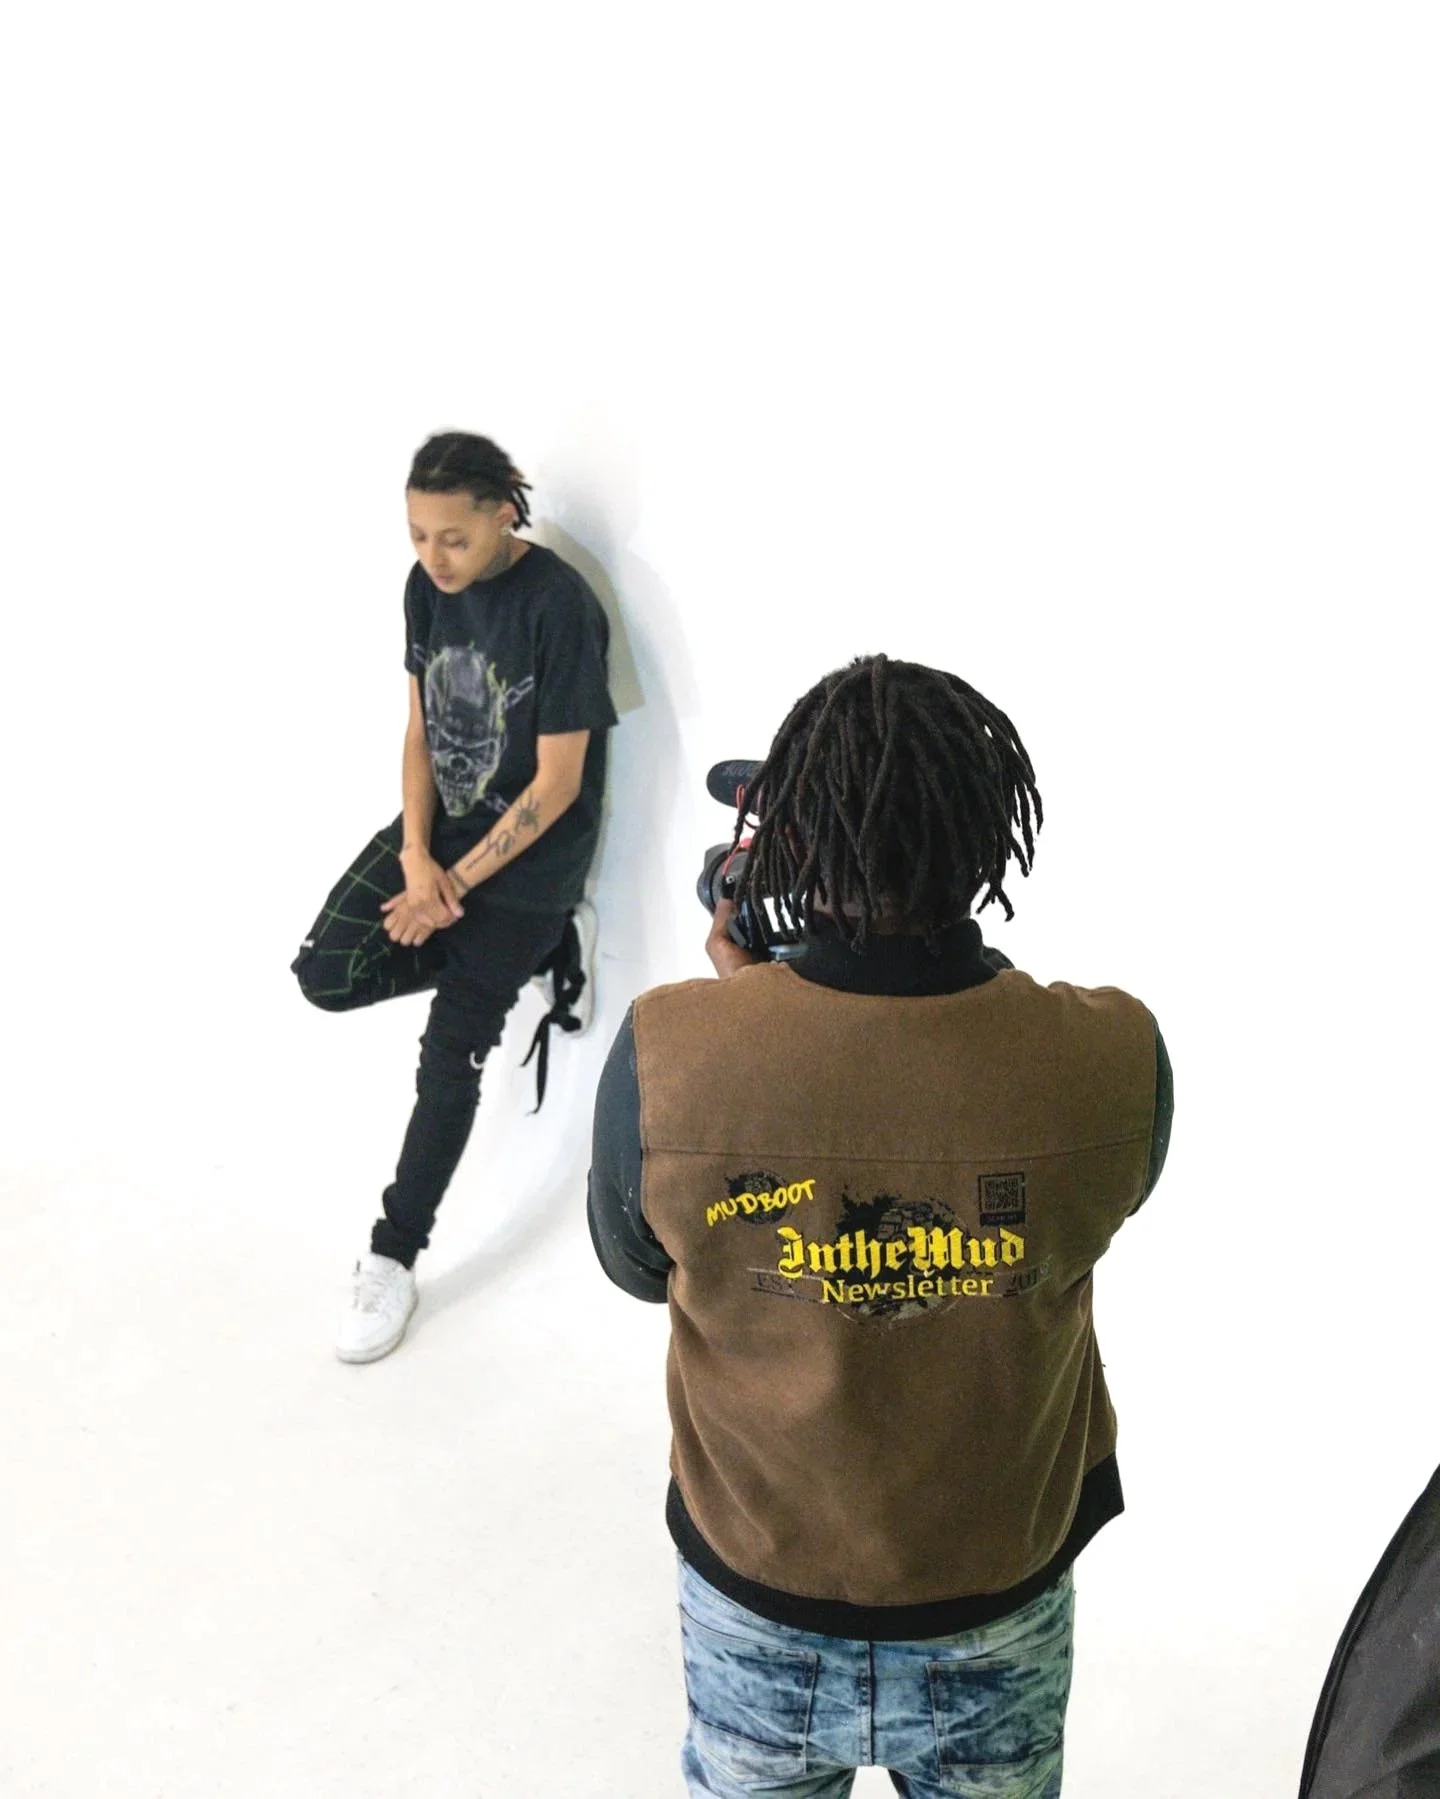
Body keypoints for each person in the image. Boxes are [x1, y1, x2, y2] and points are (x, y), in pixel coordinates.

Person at [588, 655, 1173, 1798]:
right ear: (992, 843)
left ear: (788, 855)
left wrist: (749, 1011)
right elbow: (1103, 1196)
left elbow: (637, 1263)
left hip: (756, 1588)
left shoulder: (670, 1049)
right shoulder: (1113, 1057)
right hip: (995, 1595)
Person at [294, 431, 617, 1364]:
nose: (432, 558)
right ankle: (529, 952)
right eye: (416, 536)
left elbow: (558, 785)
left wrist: (460, 887)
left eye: (452, 539)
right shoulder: (421, 592)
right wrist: (416, 858)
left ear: (503, 514)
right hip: (443, 841)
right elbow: (417, 731)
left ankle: (392, 1257)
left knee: (451, 1051)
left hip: (530, 862)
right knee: (327, 972)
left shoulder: (558, 607)